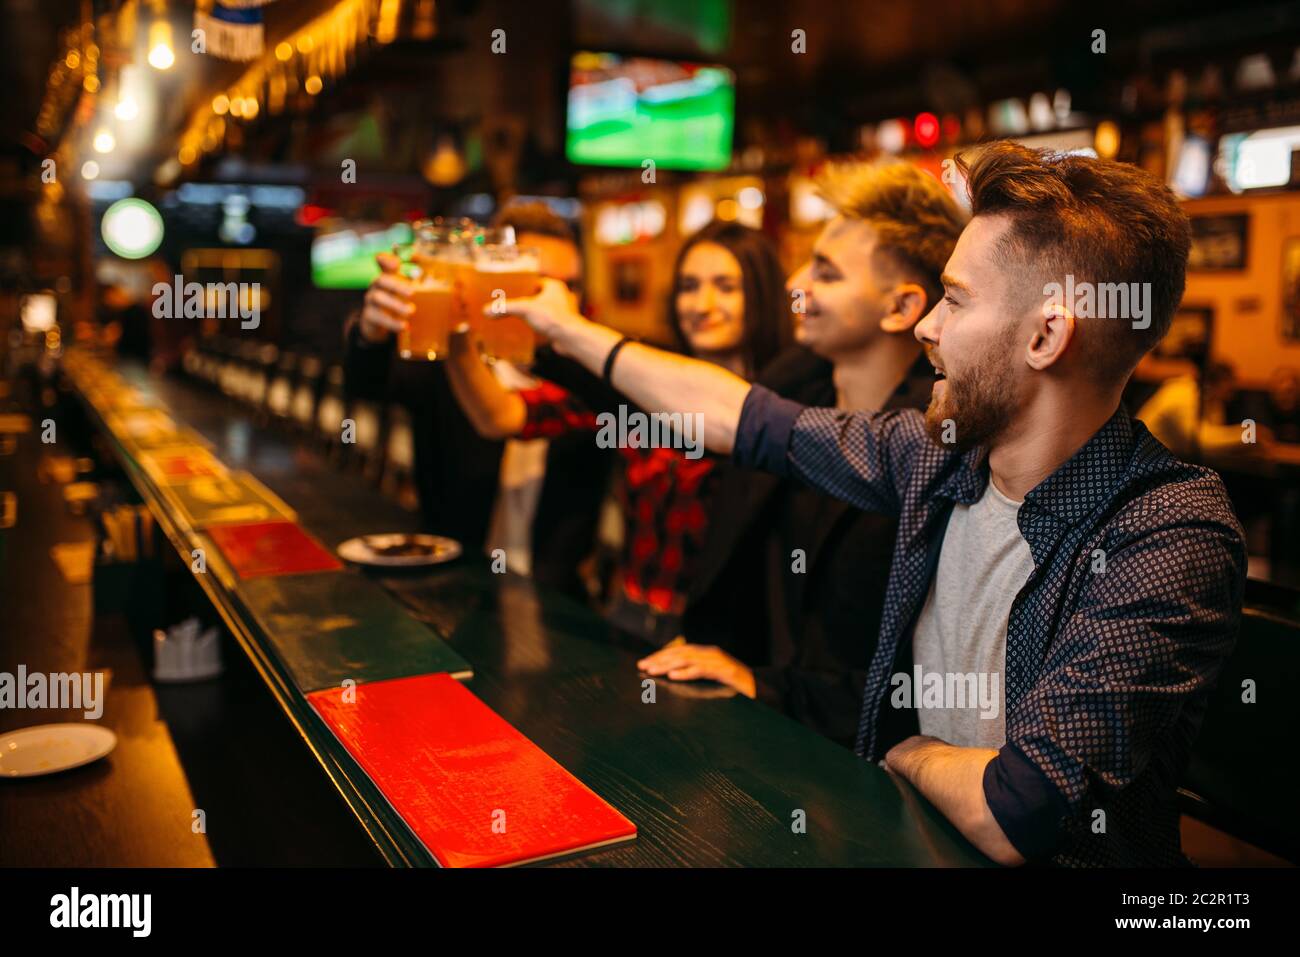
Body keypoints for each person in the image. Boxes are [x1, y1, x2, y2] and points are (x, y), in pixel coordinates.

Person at [495, 142, 1246, 867]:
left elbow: (1017, 810)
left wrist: (904, 748)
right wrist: (564, 328)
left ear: (1047, 335)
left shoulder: (1168, 531)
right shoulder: (938, 455)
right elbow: (739, 417)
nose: (927, 326)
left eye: (953, 299)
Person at [638, 161, 966, 747]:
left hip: (870, 767)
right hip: (767, 733)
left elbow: (908, 676)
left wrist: (766, 686)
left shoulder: (935, 440)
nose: (796, 282)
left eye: (826, 272)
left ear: (901, 308)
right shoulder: (797, 382)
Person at [443, 219, 790, 643]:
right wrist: (456, 336)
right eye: (688, 286)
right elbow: (501, 418)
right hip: (628, 616)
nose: (701, 304)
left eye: (726, 286)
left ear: (762, 294)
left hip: (722, 639)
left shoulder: (782, 408)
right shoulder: (641, 385)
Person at [348, 201, 607, 596]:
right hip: (452, 586)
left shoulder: (589, 377)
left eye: (570, 285)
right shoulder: (443, 362)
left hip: (556, 600)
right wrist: (370, 332)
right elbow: (367, 384)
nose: (561, 301)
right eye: (542, 283)